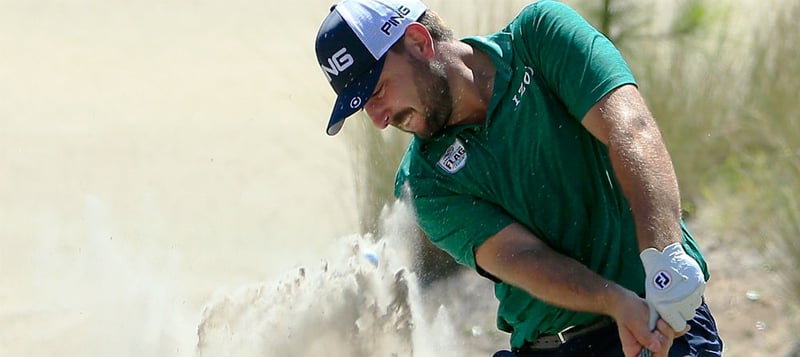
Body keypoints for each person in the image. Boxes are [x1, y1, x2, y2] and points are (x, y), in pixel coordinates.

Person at [314, 0, 723, 356]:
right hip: (552, 348)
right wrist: (616, 303)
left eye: (379, 90)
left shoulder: (540, 37)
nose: (380, 120)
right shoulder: (424, 182)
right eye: (364, 107)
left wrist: (665, 255)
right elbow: (522, 258)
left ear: (419, 42)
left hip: (664, 319)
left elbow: (629, 130)